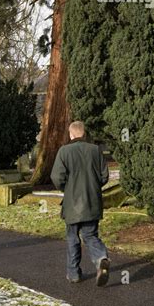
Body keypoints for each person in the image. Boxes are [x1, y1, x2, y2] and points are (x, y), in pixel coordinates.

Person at [51, 120, 111, 286]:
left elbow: (56, 177)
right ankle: (101, 258)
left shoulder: (64, 151)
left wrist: (66, 188)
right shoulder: (95, 150)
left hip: (71, 203)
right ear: (84, 134)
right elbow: (104, 176)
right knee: (90, 235)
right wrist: (93, 187)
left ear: (71, 134)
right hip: (92, 201)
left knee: (72, 237)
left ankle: (74, 273)